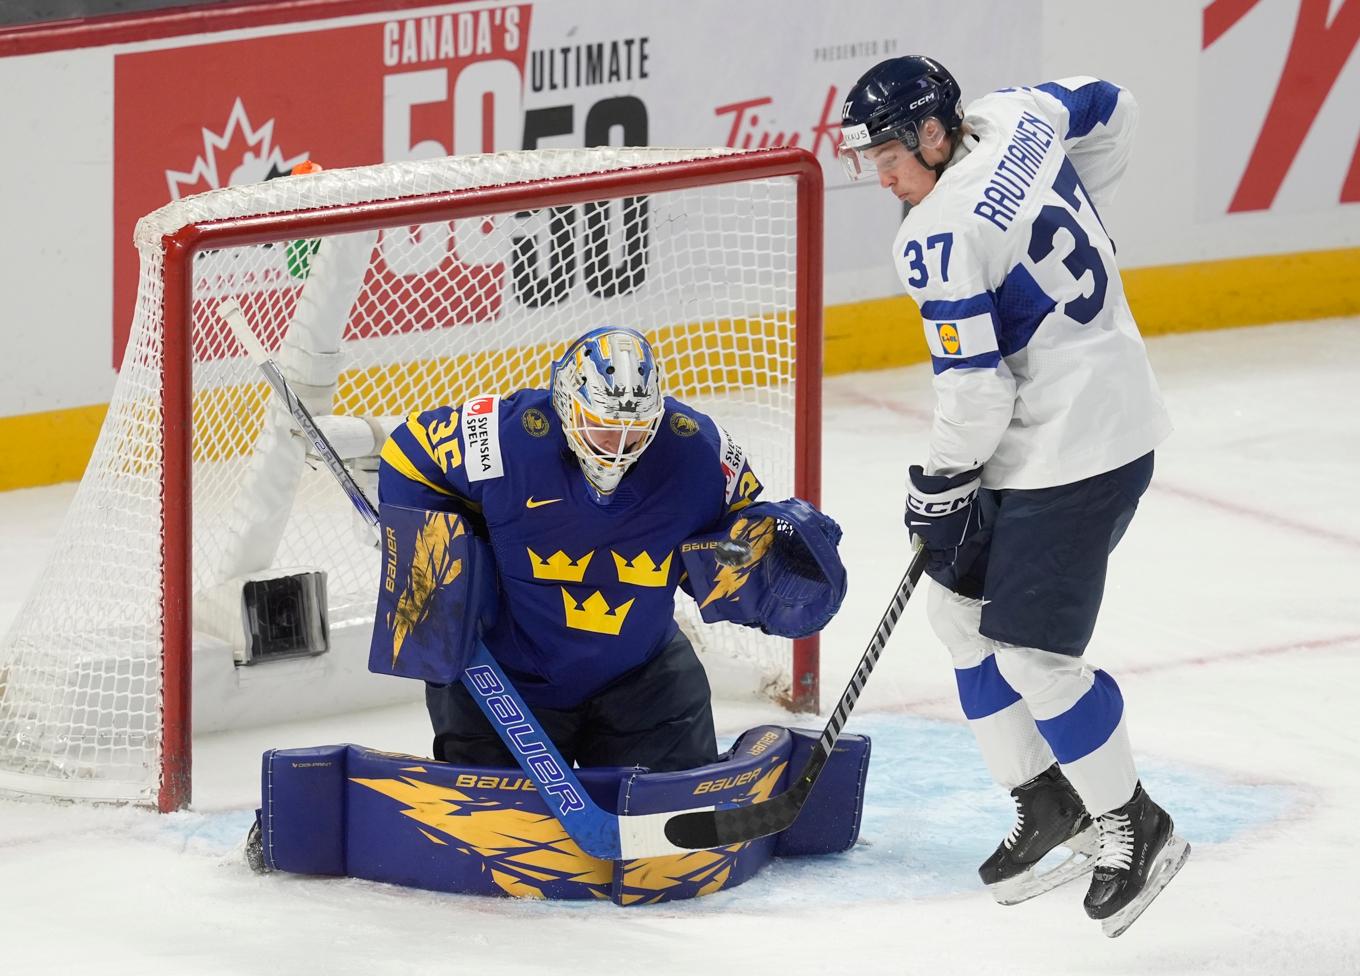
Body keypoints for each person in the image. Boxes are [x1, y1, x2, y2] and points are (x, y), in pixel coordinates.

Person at [838, 56, 1189, 937]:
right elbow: (1115, 102)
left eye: (888, 152)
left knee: (1032, 657)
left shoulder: (936, 234)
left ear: (931, 132)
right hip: (1062, 424)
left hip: (1079, 448)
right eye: (868, 156)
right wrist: (1084, 216)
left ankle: (1135, 824)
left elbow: (978, 395)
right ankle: (1049, 800)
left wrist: (938, 484)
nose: (879, 173)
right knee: (959, 614)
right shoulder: (1018, 115)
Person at [375, 326, 843, 774]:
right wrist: (428, 560)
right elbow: (405, 455)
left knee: (676, 818)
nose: (617, 446)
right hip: (505, 683)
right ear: (565, 403)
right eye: (601, 427)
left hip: (642, 682)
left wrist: (773, 565)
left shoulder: (700, 450)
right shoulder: (501, 439)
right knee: (494, 835)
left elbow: (737, 535)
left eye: (635, 430)